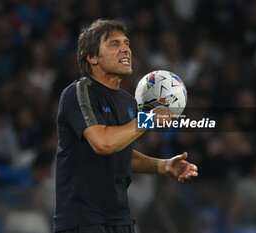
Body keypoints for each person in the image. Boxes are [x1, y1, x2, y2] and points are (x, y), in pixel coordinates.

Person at [53, 19, 198, 233]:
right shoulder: (79, 92)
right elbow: (102, 143)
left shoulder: (129, 102)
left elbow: (122, 154)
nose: (126, 49)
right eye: (114, 44)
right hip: (83, 221)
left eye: (126, 43)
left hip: (121, 220)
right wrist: (147, 120)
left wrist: (163, 166)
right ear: (92, 57)